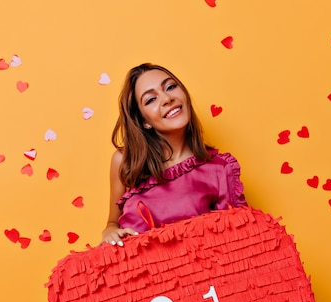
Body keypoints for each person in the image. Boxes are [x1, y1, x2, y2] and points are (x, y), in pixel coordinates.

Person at [102, 63, 248, 246]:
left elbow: (239, 243)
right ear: (144, 121)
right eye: (150, 100)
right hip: (133, 272)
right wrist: (110, 232)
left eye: (170, 87)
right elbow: (112, 223)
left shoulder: (220, 169)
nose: (166, 99)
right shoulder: (125, 162)